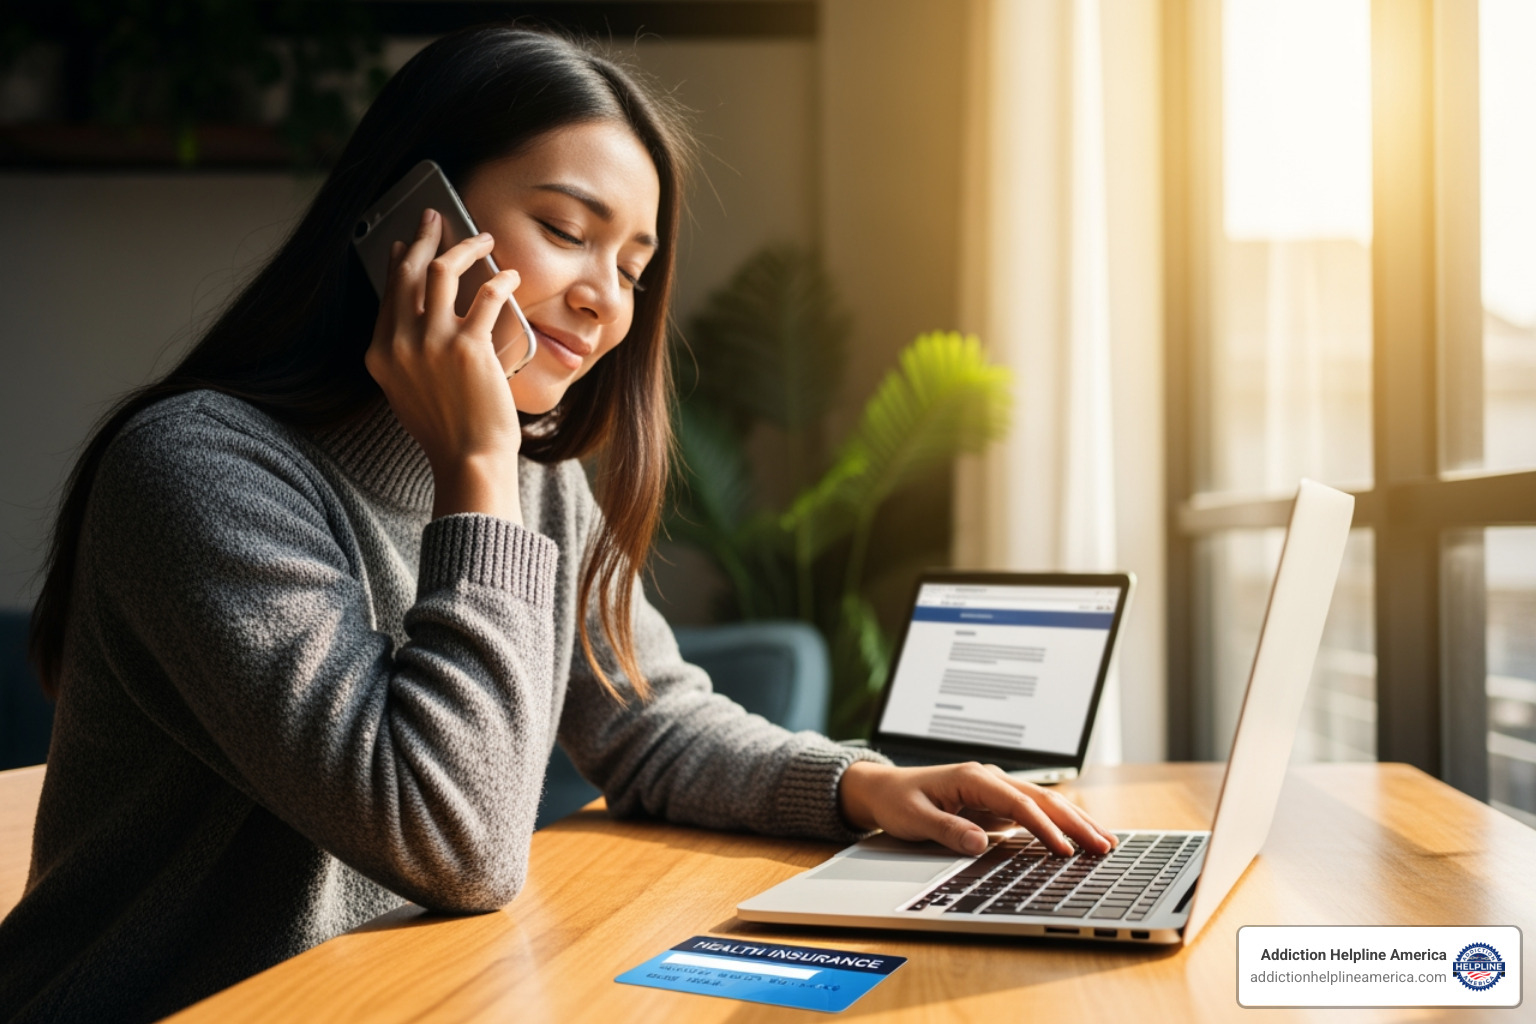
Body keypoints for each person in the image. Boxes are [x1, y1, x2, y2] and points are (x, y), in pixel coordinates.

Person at [0, 26, 1114, 1024]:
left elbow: (648, 721)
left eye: (634, 267)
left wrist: (858, 784)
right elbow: (453, 841)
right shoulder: (201, 471)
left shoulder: (535, 480)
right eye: (566, 231)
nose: (606, 302)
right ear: (411, 223)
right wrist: (475, 462)